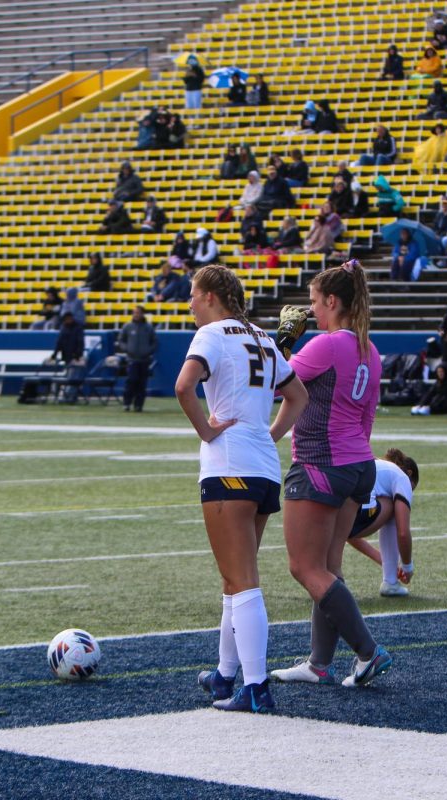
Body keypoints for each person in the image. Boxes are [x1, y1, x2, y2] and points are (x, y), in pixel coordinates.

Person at [176, 265, 308, 713]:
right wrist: (267, 435)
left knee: (243, 580)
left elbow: (184, 387)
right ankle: (225, 675)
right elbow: (298, 396)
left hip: (228, 465)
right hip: (264, 467)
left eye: (193, 294)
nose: (189, 303)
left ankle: (255, 686)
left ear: (212, 295)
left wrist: (206, 432)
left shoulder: (211, 335)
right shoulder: (264, 338)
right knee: (235, 579)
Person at [269, 259, 392, 689]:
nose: (310, 312)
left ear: (333, 301)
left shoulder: (326, 346)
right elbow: (367, 417)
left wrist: (282, 343)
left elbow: (276, 383)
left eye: (314, 303)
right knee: (329, 568)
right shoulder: (368, 349)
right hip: (358, 464)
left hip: (321, 463)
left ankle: (368, 652)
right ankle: (320, 664)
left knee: (305, 568)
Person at [345, 449, 419, 596]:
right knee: (394, 507)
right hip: (355, 511)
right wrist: (407, 567)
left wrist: (383, 560)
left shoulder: (380, 468)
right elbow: (403, 533)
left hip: (336, 510)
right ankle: (390, 582)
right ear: (409, 473)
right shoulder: (401, 477)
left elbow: (348, 534)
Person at [118, 305, 158, 412]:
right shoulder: (128, 326)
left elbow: (154, 342)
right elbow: (121, 340)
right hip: (131, 359)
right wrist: (127, 349)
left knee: (142, 383)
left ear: (142, 314)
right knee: (131, 381)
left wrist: (148, 351)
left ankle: (138, 405)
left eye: (138, 313)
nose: (136, 315)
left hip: (144, 360)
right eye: (135, 312)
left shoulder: (148, 327)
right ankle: (127, 403)